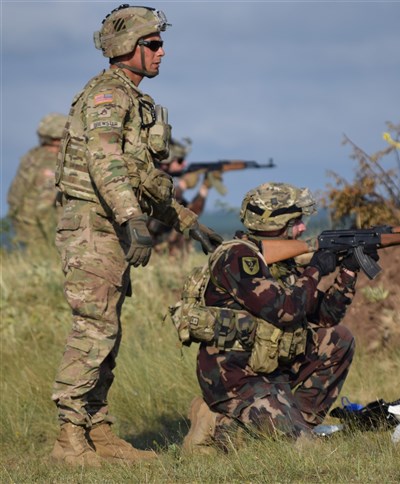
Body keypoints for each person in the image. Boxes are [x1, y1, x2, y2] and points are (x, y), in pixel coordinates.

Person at [51, 4, 222, 466]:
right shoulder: (109, 96)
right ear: (126, 48)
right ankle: (69, 439)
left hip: (109, 225)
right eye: (153, 44)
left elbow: (140, 174)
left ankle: (99, 432)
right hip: (93, 224)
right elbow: (104, 162)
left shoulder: (135, 100)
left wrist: (187, 222)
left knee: (109, 327)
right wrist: (132, 219)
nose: (162, 52)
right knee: (94, 326)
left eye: (160, 43)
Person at [181, 182, 365, 454]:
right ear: (275, 222)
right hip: (235, 377)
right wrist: (315, 269)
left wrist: (348, 272)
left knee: (339, 339)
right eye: (296, 221)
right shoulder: (237, 258)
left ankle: (299, 423)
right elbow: (285, 310)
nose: (303, 227)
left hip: (272, 370)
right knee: (297, 449)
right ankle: (214, 421)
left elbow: (325, 317)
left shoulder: (282, 261)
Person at [148, 137, 225, 256]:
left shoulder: (172, 186)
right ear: (165, 163)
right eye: (179, 160)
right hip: (152, 250)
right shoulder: (150, 179)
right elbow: (164, 204)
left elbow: (191, 214)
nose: (184, 164)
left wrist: (204, 189)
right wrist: (183, 186)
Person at [7, 113, 66, 246]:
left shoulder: (32, 157)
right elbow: (16, 194)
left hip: (37, 225)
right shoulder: (36, 158)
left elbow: (14, 195)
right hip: (35, 226)